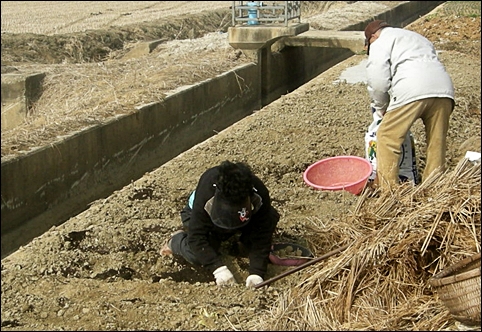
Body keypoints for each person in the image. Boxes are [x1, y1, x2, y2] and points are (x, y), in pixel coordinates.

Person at [363, 20, 455, 191]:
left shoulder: (379, 41)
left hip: (413, 87)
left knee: (387, 136)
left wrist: (381, 106)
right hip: (444, 90)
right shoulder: (417, 37)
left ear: (372, 37)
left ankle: (389, 192)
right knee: (436, 141)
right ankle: (434, 189)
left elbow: (378, 80)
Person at [160, 160, 280, 288]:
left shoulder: (259, 194)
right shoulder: (206, 191)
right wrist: (218, 269)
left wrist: (257, 273)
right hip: (201, 216)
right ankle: (175, 241)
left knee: (271, 217)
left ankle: (239, 241)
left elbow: (262, 234)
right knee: (197, 253)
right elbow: (197, 238)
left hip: (243, 217)